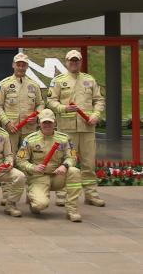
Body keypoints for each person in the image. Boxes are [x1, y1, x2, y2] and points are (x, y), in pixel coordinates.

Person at [47, 49, 106, 207]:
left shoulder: (90, 80)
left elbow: (99, 100)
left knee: (88, 163)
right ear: (66, 62)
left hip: (87, 128)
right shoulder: (58, 81)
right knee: (65, 162)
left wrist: (96, 114)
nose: (74, 63)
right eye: (71, 61)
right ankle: (62, 194)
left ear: (81, 62)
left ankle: (91, 194)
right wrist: (63, 108)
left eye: (76, 61)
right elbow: (51, 101)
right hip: (66, 130)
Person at [0, 53, 45, 205]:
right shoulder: (3, 84)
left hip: (29, 130)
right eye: (18, 64)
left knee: (30, 160)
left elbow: (41, 103)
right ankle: (7, 194)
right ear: (13, 65)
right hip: (11, 129)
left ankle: (31, 194)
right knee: (9, 160)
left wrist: (37, 116)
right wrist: (6, 122)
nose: (21, 67)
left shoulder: (34, 85)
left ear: (27, 66)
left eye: (24, 64)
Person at [15, 109, 83, 222]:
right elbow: (20, 160)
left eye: (49, 122)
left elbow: (72, 157)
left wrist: (65, 166)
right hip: (38, 177)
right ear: (39, 123)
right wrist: (33, 168)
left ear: (55, 123)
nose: (47, 125)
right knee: (40, 205)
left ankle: (72, 210)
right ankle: (33, 197)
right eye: (44, 122)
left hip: (57, 175)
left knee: (74, 171)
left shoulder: (64, 138)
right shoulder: (30, 140)